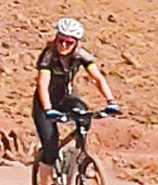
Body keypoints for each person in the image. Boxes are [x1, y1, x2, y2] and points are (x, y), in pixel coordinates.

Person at [32, 18, 119, 169]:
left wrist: (111, 102)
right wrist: (47, 109)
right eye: (61, 41)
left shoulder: (80, 55)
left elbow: (97, 78)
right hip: (44, 102)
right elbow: (43, 84)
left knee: (84, 116)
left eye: (69, 42)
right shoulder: (48, 56)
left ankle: (79, 158)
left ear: (76, 43)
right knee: (50, 149)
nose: (63, 45)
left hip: (66, 98)